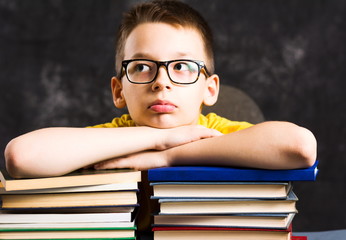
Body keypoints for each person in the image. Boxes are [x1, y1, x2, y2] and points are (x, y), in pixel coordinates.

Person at [4, 0, 317, 179]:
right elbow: (21, 157)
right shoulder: (109, 140)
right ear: (119, 91)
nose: (161, 81)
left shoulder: (219, 133)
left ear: (210, 89)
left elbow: (300, 147)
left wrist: (169, 156)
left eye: (181, 67)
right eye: (141, 67)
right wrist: (160, 138)